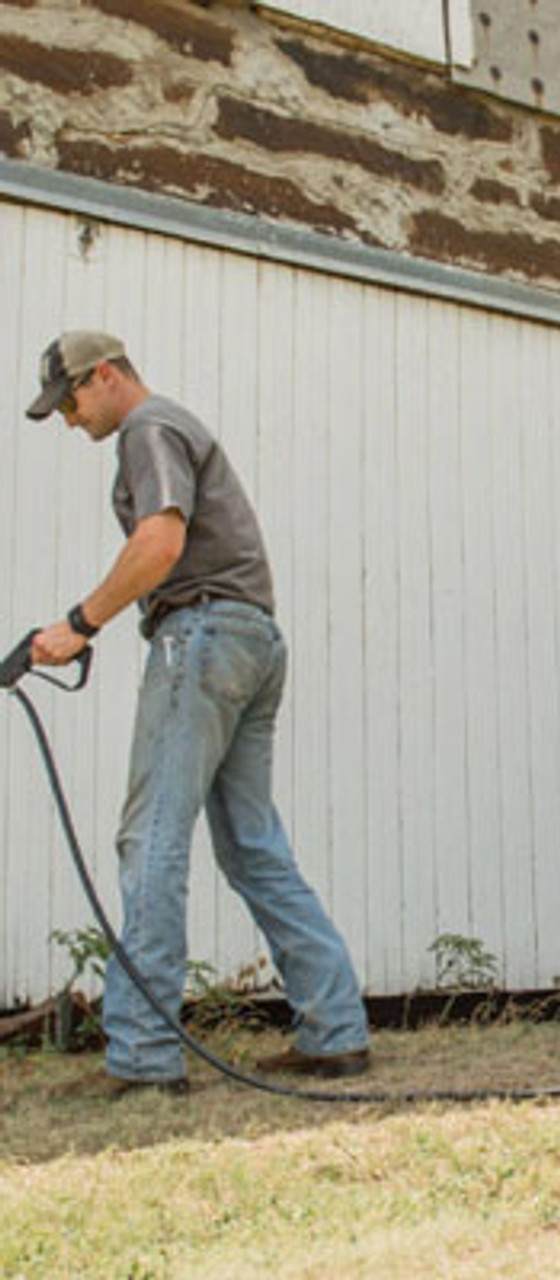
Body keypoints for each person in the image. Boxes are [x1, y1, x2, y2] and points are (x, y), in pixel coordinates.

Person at [27, 331, 370, 1096]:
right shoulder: (175, 426)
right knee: (252, 846)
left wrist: (79, 624)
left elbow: (159, 541)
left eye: (70, 401)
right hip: (252, 639)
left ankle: (145, 1055)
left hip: (204, 637)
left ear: (106, 375)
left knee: (149, 838)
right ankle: (335, 1030)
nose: (69, 420)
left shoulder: (149, 430)